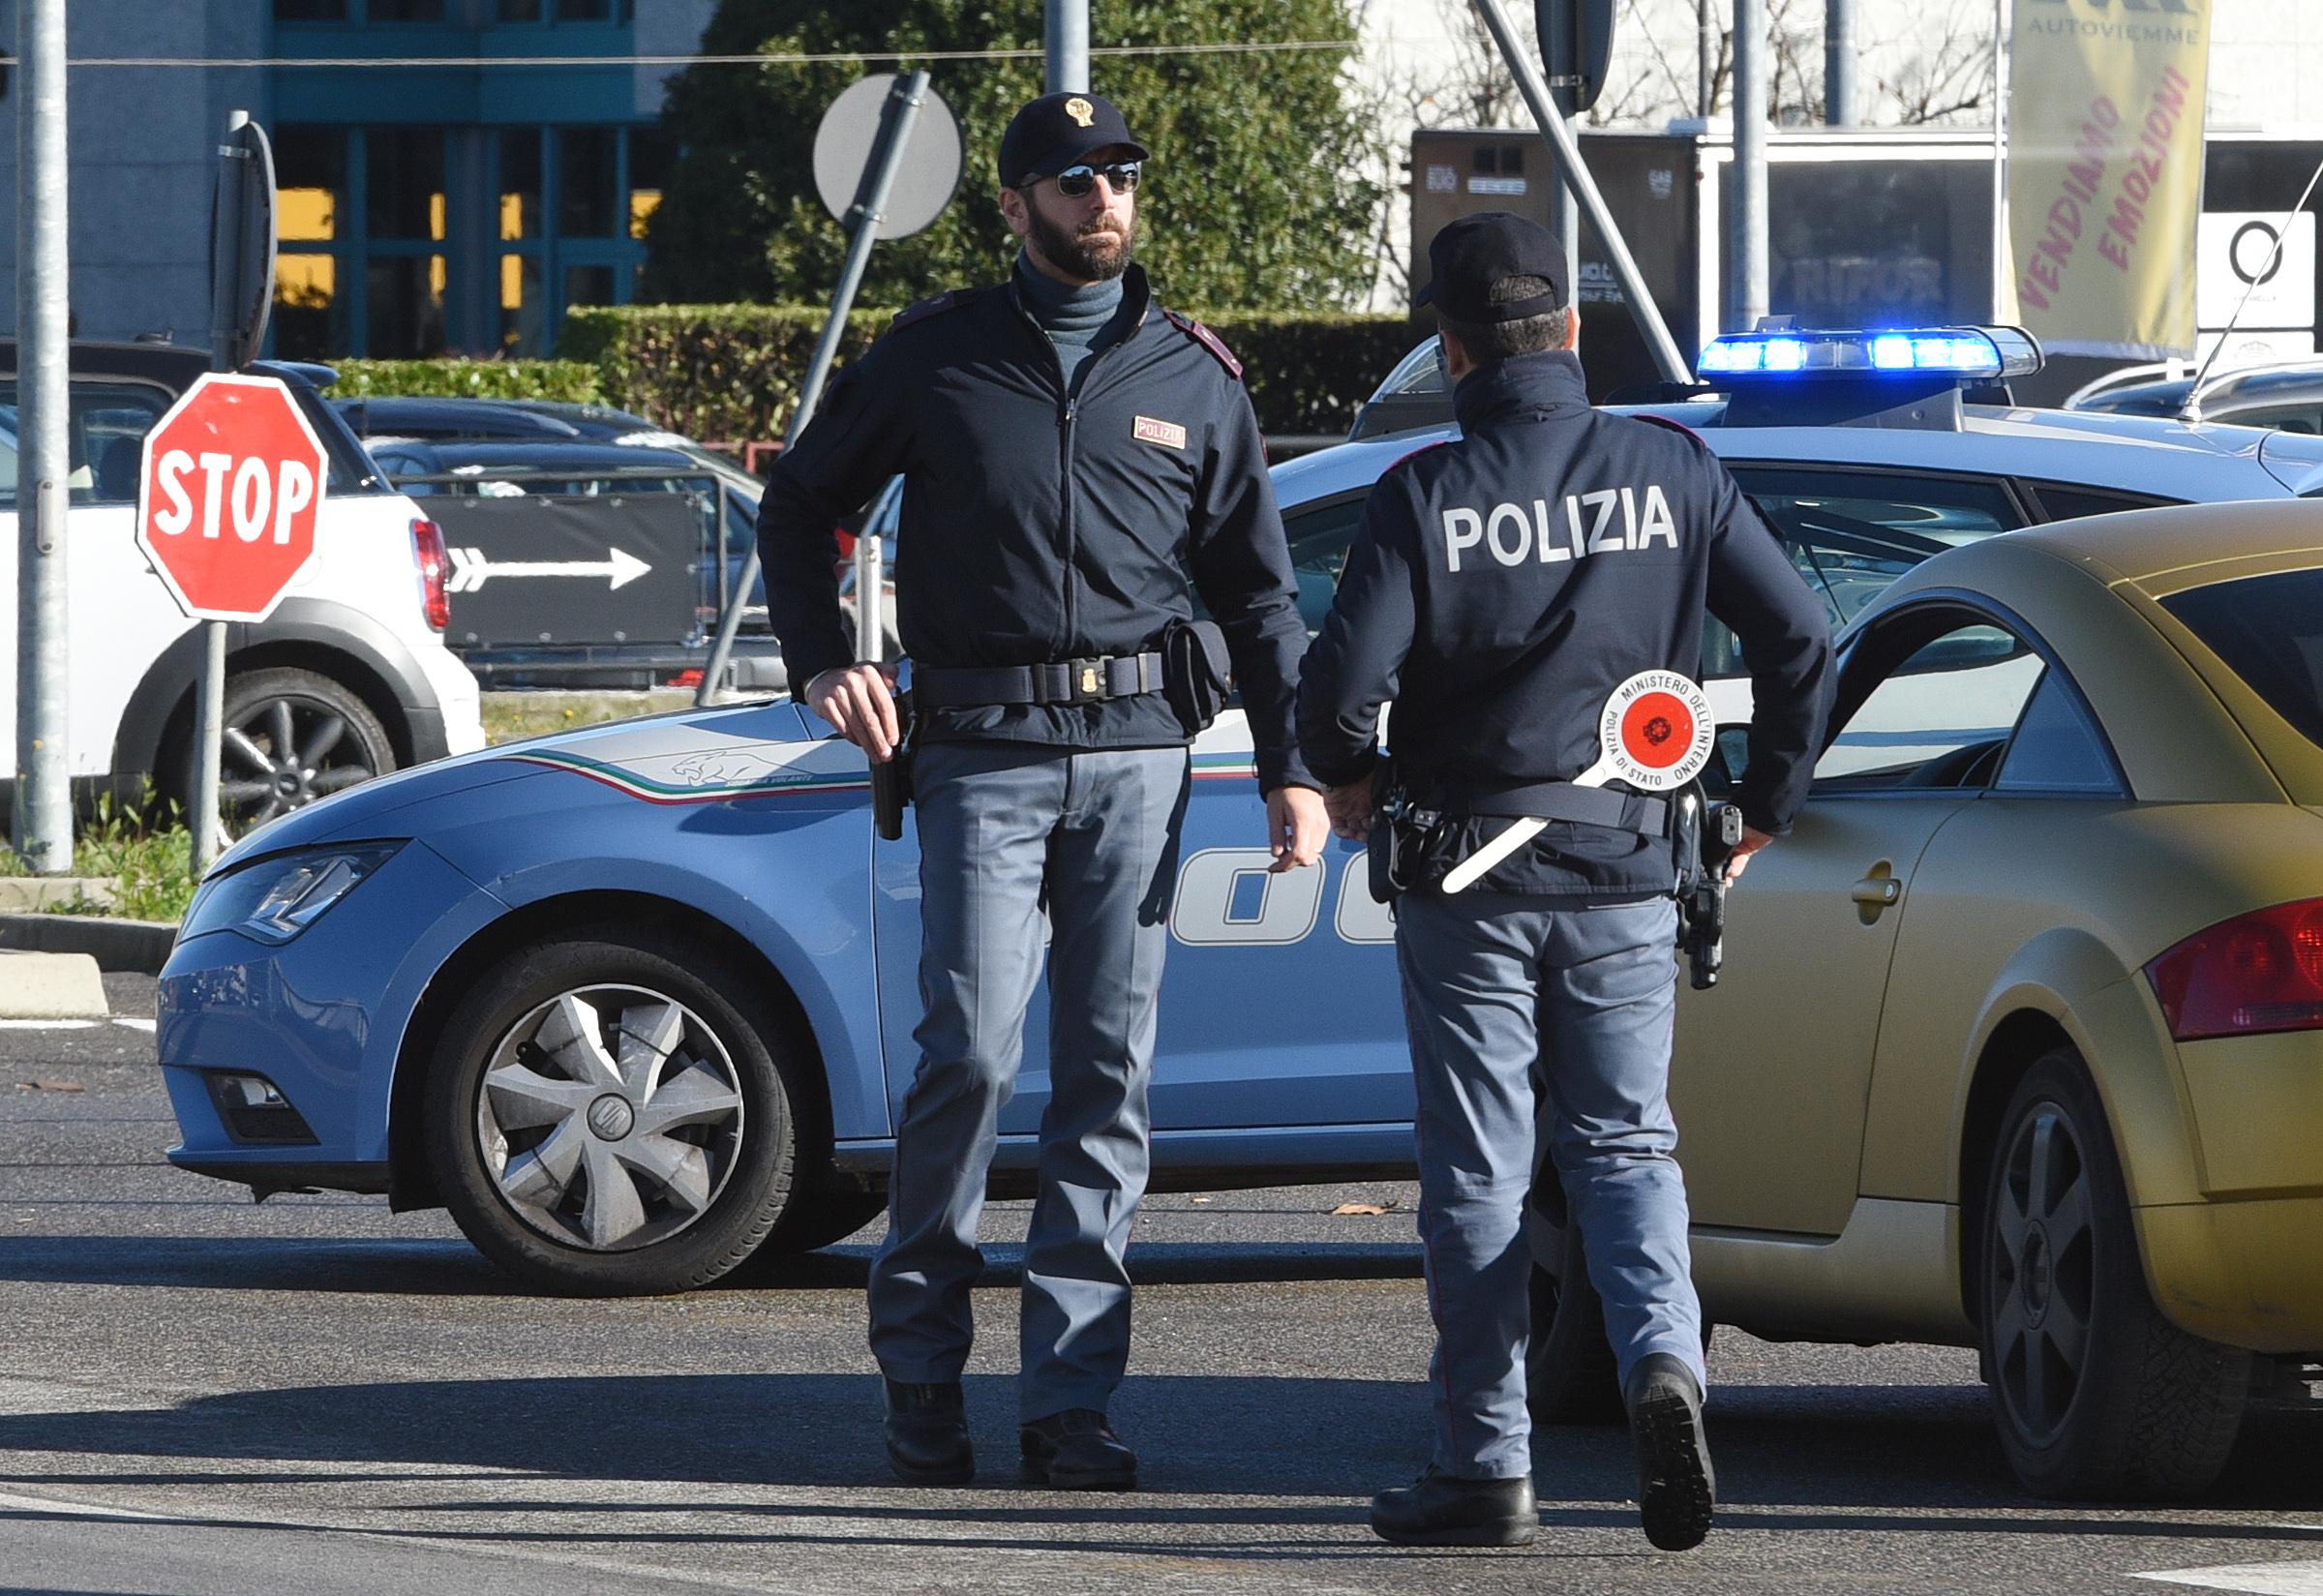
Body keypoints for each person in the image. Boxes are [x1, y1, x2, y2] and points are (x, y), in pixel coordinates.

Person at [756, 89, 1329, 1493]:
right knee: (969, 1057)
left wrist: (1294, 767)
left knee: (1110, 1079)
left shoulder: (1195, 376)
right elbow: (800, 506)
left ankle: (1071, 1402)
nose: (1101, 199)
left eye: (1119, 174)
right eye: (1070, 180)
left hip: (1142, 761)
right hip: (982, 760)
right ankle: (924, 1378)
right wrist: (823, 662)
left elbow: (1262, 599)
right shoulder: (937, 357)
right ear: (1012, 206)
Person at [1295, 213, 1833, 1551]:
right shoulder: (1674, 468)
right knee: (1627, 1141)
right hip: (1627, 869)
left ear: (1452, 347)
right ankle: (1666, 1362)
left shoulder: (1426, 493)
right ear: (1576, 334)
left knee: (1479, 1168)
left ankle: (1486, 1466)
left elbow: (1341, 690)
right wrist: (1765, 802)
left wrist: (1348, 772)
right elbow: (1803, 635)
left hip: (1468, 875)